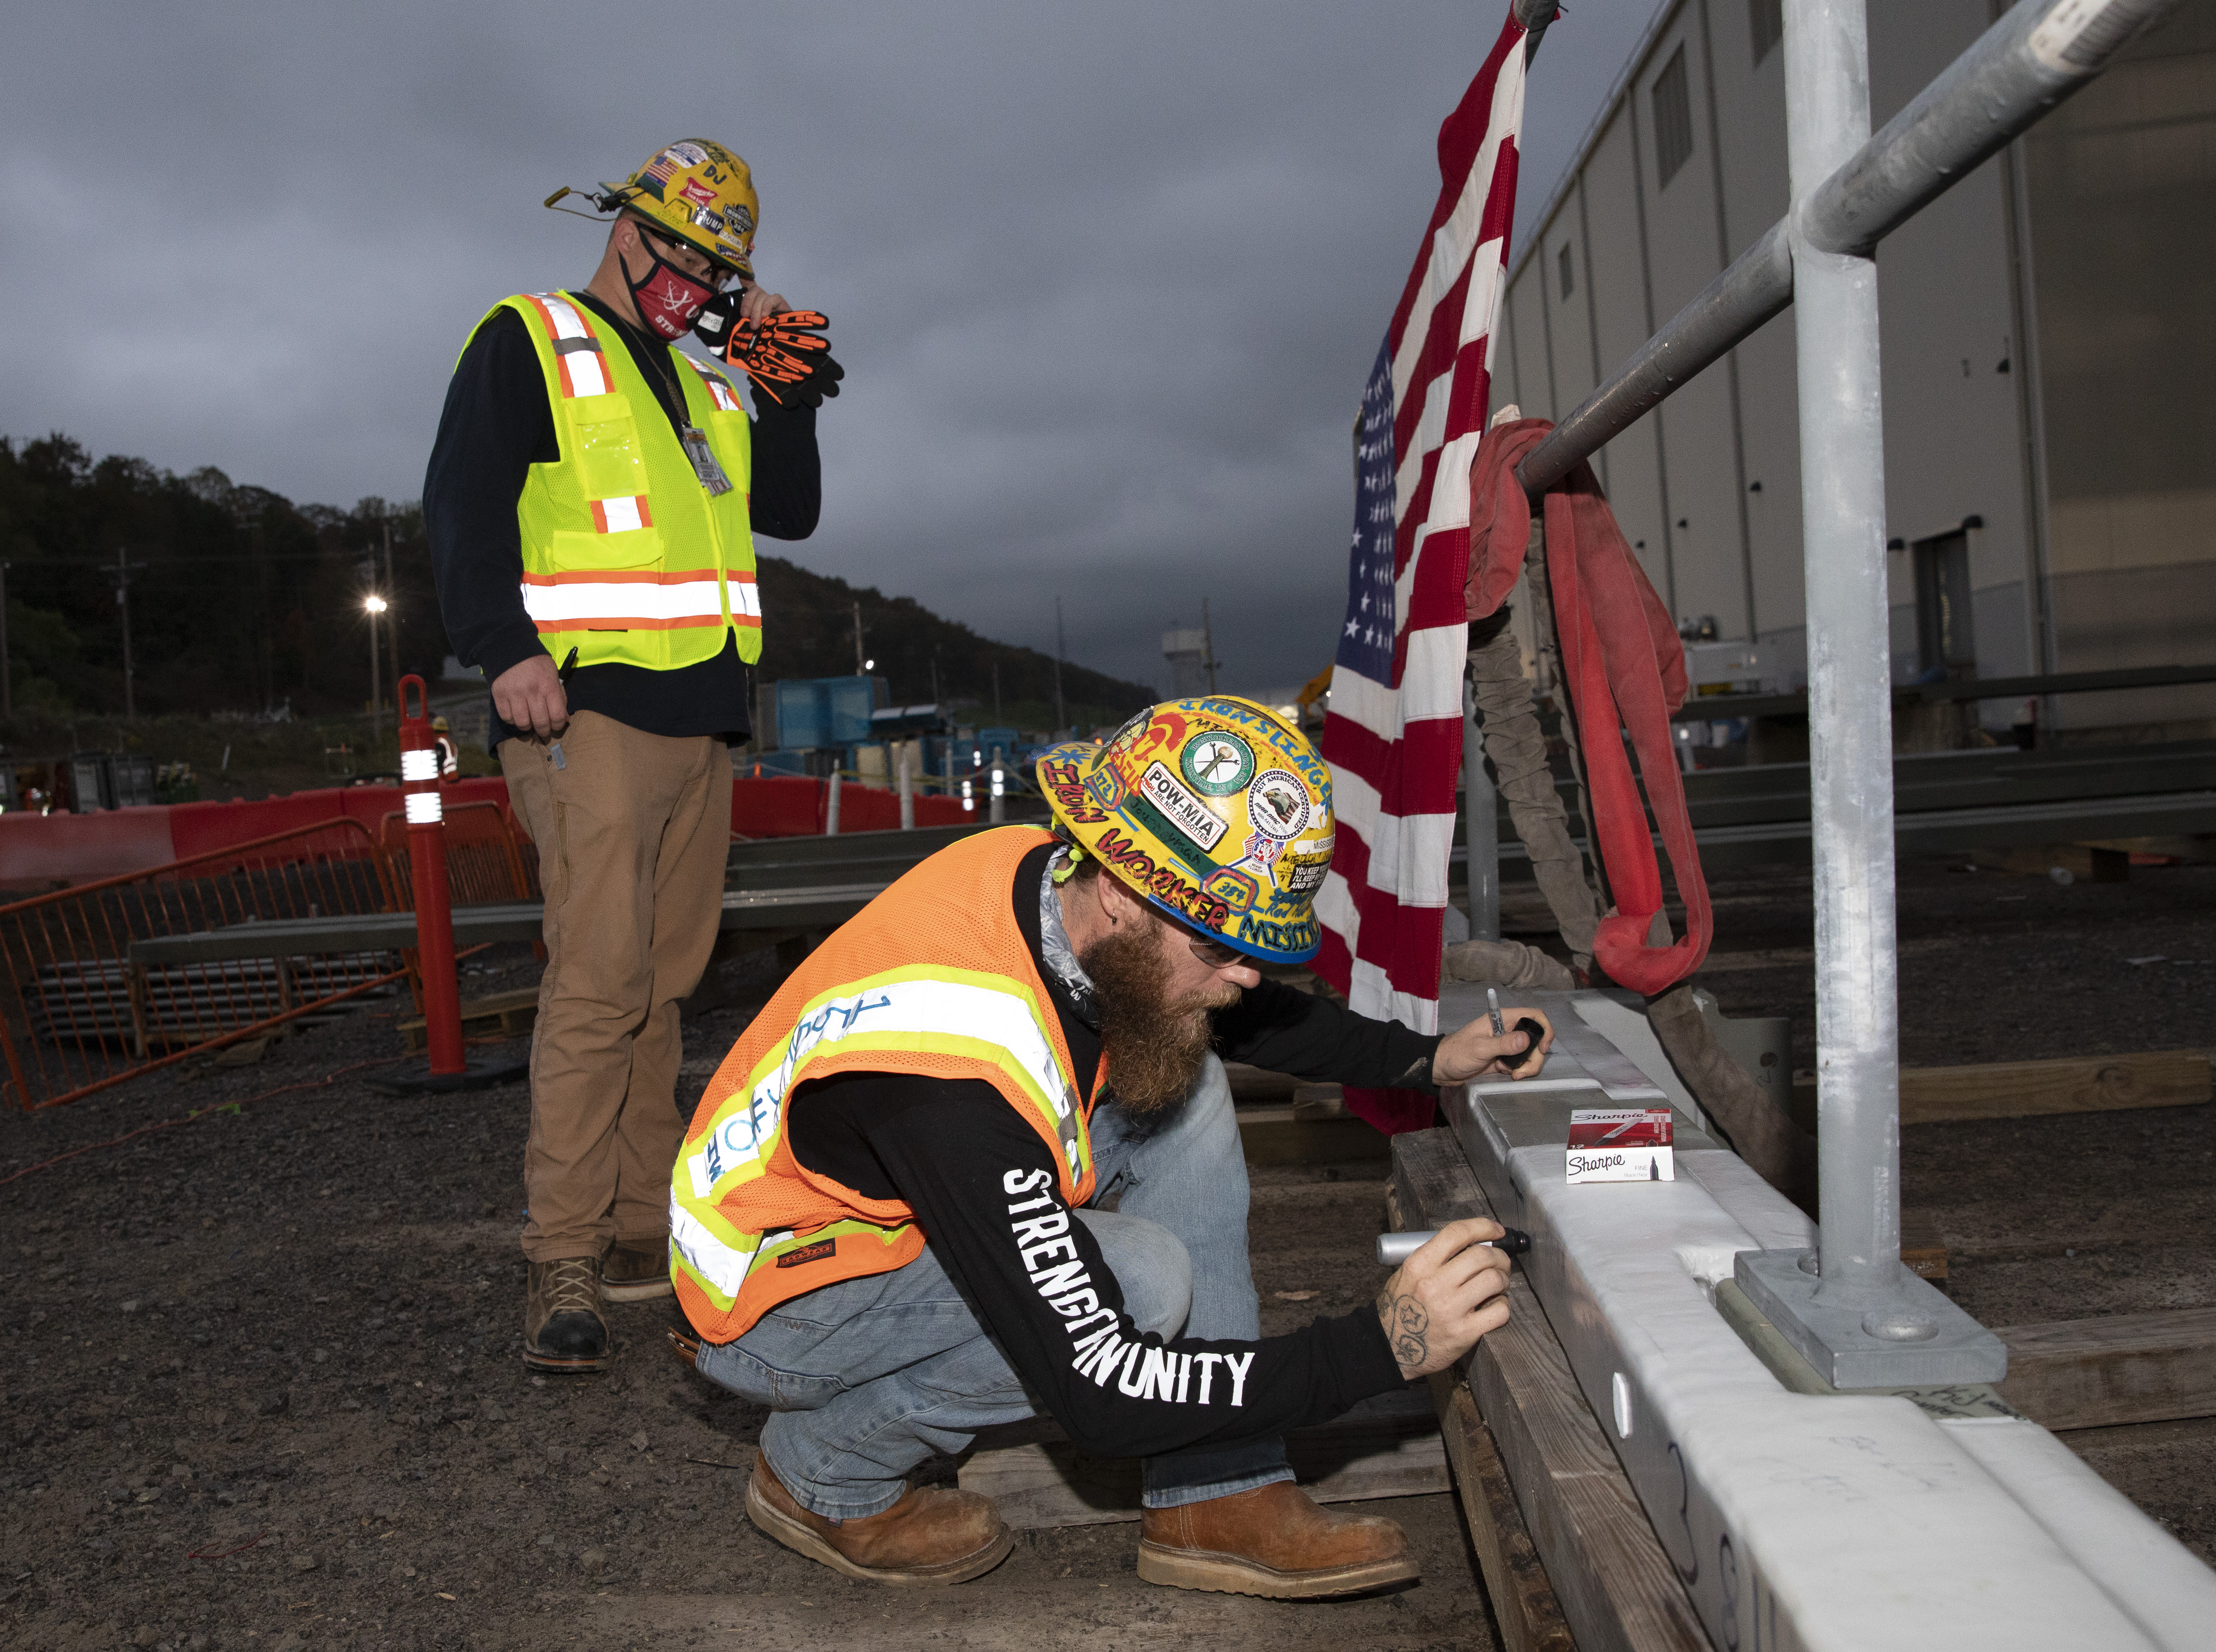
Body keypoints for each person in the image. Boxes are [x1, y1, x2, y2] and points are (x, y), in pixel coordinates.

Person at [669, 697, 1548, 1597]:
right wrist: (1382, 1344)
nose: (1247, 975)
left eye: (1256, 948)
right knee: (1140, 1279)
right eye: (1221, 942)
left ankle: (1214, 1492)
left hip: (885, 1193)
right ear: (1126, 897)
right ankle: (824, 1467)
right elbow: (1104, 1391)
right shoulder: (947, 1074)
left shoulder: (1053, 878)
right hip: (777, 1295)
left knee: (1188, 1063)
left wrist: (1427, 1055)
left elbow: (1235, 1005)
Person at [425, 138, 842, 1374]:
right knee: (599, 981)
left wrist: (789, 378)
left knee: (663, 985)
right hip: (582, 712)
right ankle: (561, 1248)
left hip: (699, 719)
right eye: (687, 257)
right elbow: (461, 503)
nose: (699, 286)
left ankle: (636, 1223)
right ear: (628, 232)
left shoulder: (710, 383)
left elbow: (793, 509)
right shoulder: (531, 338)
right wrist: (503, 649)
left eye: (724, 270)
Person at [429, 716, 460, 782]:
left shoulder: (440, 743)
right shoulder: (450, 743)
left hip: (444, 780)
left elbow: (438, 763)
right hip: (453, 778)